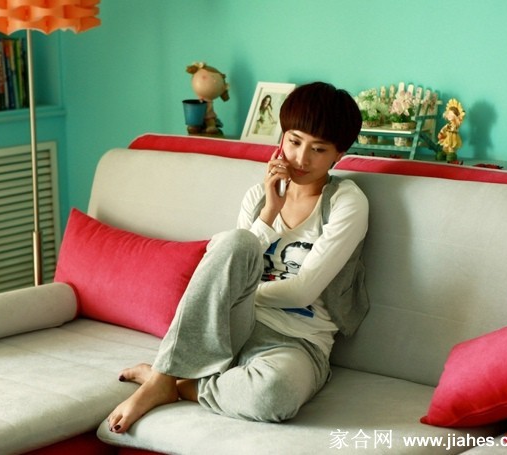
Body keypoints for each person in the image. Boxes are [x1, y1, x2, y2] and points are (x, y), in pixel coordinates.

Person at [107, 81, 369, 433]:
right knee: (235, 242)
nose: (301, 159)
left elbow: (302, 292)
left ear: (339, 154)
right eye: (294, 141)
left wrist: (230, 291)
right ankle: (162, 379)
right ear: (282, 138)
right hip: (235, 325)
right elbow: (237, 258)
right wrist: (269, 213)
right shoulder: (257, 197)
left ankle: (180, 385)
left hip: (298, 342)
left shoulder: (346, 202)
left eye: (318, 149)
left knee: (274, 395)